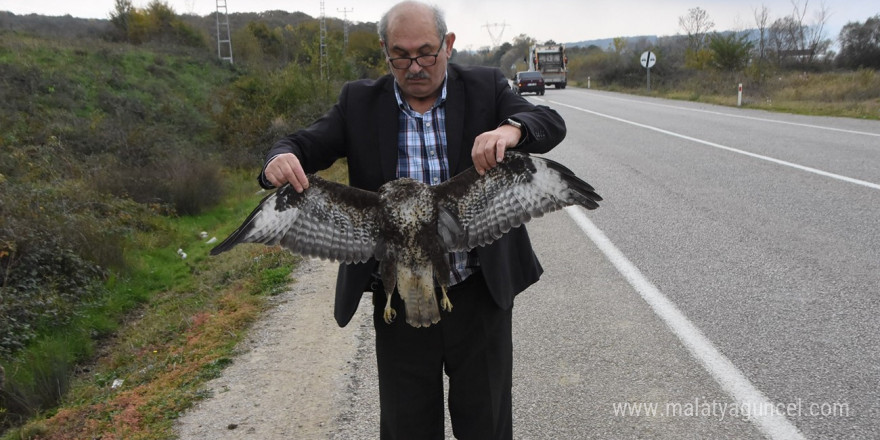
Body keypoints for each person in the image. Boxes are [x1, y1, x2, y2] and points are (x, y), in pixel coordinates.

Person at [259, 1, 566, 438]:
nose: (415, 66)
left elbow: (549, 122)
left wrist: (511, 129)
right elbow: (300, 144)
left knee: (488, 426)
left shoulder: (486, 87)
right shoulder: (359, 102)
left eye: (426, 52)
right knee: (408, 429)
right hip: (399, 303)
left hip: (480, 295)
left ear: (449, 44)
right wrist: (279, 158)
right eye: (401, 55)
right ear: (385, 51)